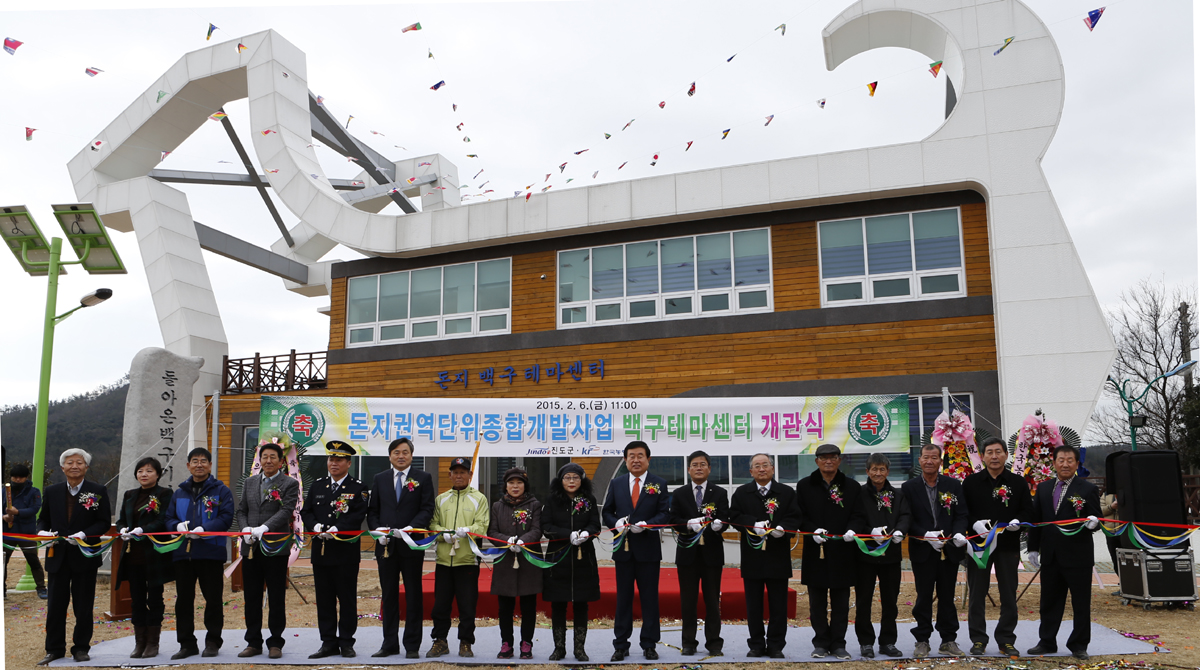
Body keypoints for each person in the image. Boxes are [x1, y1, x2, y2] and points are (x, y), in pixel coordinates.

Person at [36, 449, 111, 666]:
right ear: (62, 467)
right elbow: (43, 519)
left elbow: (104, 521)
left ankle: (81, 648)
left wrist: (84, 534)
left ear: (86, 467)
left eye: (79, 462)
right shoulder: (52, 491)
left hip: (85, 556)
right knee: (56, 606)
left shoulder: (97, 490)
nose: (74, 466)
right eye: (70, 462)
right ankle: (54, 649)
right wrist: (42, 531)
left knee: (83, 606)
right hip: (57, 556)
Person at [1027, 444, 1101, 661]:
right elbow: (1037, 521)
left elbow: (1096, 519)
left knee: (1080, 603)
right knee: (1049, 602)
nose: (1065, 464)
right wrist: (1033, 548)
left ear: (1077, 464)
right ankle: (1047, 641)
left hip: (1078, 556)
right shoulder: (1043, 488)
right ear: (1055, 462)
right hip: (1050, 555)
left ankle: (1079, 645)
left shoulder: (1088, 489)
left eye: (1070, 460)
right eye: (1061, 460)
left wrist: (1093, 523)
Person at [601, 440, 672, 661]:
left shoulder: (658, 483)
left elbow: (664, 514)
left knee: (650, 598)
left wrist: (648, 525)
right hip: (623, 549)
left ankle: (649, 644)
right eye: (631, 456)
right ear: (625, 460)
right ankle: (621, 644)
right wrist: (617, 523)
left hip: (648, 550)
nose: (636, 460)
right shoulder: (617, 483)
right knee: (623, 599)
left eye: (640, 455)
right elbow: (607, 512)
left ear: (648, 459)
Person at [962, 436, 1031, 656]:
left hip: (1008, 546)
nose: (994, 456)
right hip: (979, 547)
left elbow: (1027, 511)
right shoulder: (971, 482)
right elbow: (963, 512)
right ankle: (978, 639)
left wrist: (1018, 523)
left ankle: (1006, 639)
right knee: (977, 593)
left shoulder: (1018, 482)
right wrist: (973, 523)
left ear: (1006, 455)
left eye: (998, 451)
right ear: (982, 456)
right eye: (989, 452)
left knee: (1008, 594)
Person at [367, 438, 435, 659]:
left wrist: (411, 528)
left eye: (405, 452)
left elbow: (427, 508)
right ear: (390, 456)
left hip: (410, 544)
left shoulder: (423, 478)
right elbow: (373, 510)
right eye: (396, 452)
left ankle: (412, 644)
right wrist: (378, 532)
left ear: (412, 456)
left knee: (414, 594)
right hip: (386, 546)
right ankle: (389, 644)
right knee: (388, 595)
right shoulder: (380, 478)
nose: (401, 456)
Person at [797, 444, 867, 660]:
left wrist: (852, 530)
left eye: (833, 457)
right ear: (816, 460)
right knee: (817, 602)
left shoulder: (852, 486)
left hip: (843, 552)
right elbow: (798, 515)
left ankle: (838, 643)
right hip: (815, 551)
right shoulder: (804, 485)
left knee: (841, 602)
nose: (828, 461)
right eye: (823, 457)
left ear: (839, 460)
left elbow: (859, 515)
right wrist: (811, 530)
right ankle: (820, 642)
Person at [300, 441, 369, 659]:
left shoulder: (359, 487)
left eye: (339, 459)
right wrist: (316, 526)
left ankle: (347, 642)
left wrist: (338, 528)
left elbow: (358, 514)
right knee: (324, 599)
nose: (334, 463)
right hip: (321, 552)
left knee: (347, 599)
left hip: (346, 552)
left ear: (349, 463)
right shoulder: (318, 485)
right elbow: (306, 511)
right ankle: (328, 642)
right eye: (331, 459)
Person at [729, 453, 802, 658]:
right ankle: (756, 644)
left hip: (777, 556)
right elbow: (734, 517)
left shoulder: (786, 492)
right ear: (750, 471)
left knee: (778, 604)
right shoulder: (742, 493)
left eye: (765, 465)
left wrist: (784, 528)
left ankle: (776, 645)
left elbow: (795, 516)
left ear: (772, 468)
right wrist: (752, 523)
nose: (761, 469)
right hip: (752, 556)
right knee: (753, 604)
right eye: (757, 466)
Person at [165, 447, 235, 659]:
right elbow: (168, 518)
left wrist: (205, 529)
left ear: (210, 465)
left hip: (210, 552)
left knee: (213, 600)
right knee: (183, 601)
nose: (199, 464)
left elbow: (226, 518)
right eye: (194, 461)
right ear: (188, 466)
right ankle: (187, 644)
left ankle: (213, 641)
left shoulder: (221, 491)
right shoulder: (179, 492)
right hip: (183, 554)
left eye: (204, 461)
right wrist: (177, 526)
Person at [900, 444, 969, 658]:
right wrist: (925, 535)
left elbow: (961, 514)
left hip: (949, 550)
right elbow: (906, 518)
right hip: (923, 549)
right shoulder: (908, 487)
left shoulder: (953, 485)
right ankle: (922, 640)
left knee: (948, 596)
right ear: (919, 460)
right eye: (925, 457)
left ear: (941, 460)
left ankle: (948, 640)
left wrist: (958, 533)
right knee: (924, 596)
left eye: (934, 457)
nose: (929, 461)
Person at [235, 442, 299, 659]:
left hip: (275, 547)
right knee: (251, 596)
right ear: (259, 460)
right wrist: (245, 528)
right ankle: (253, 642)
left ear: (281, 461)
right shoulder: (249, 482)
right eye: (265, 457)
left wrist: (264, 528)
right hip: (251, 548)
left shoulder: (289, 483)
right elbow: (241, 509)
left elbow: (286, 510)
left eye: (273, 457)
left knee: (276, 596)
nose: (268, 461)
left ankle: (275, 643)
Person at [427, 457, 489, 658]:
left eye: (463, 472)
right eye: (455, 472)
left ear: (470, 475)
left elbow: (482, 525)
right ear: (449, 475)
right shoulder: (441, 499)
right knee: (441, 604)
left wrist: (467, 530)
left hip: (467, 561)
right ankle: (440, 641)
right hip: (444, 560)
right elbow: (432, 524)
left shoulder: (479, 498)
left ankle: (465, 642)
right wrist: (441, 532)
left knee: (467, 604)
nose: (459, 475)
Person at [669, 450, 729, 657]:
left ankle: (714, 643)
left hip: (712, 554)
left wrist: (719, 525)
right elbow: (673, 520)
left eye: (703, 464)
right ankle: (688, 642)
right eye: (694, 464)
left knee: (712, 600)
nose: (699, 468)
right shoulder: (679, 493)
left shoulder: (719, 493)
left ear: (709, 468)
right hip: (687, 554)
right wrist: (687, 525)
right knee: (688, 600)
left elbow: (725, 519)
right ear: (688, 469)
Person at [115, 457, 176, 659]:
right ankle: (139, 642)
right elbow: (122, 518)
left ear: (158, 474)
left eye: (149, 471)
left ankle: (152, 643)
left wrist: (143, 530)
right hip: (133, 556)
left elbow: (163, 520)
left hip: (154, 555)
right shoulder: (130, 494)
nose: (144, 474)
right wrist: (123, 528)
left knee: (155, 599)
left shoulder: (164, 494)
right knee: (137, 600)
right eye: (140, 471)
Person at [541, 463, 601, 662]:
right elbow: (546, 526)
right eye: (568, 478)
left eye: (576, 477)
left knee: (581, 604)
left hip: (584, 559)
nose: (572, 481)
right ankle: (559, 648)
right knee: (558, 604)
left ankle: (579, 649)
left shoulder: (589, 500)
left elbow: (595, 524)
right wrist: (568, 535)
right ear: (561, 481)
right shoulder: (551, 500)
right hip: (558, 557)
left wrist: (586, 533)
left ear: (582, 480)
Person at [855, 453, 911, 659]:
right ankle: (865, 642)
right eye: (874, 469)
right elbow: (855, 518)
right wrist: (870, 531)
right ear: (867, 471)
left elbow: (905, 515)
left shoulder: (898, 494)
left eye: (882, 469)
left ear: (888, 471)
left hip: (891, 556)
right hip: (865, 556)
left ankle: (887, 641)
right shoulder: (858, 494)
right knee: (864, 601)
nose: (878, 473)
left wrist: (900, 531)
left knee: (890, 601)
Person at [487, 467, 543, 659]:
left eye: (519, 483)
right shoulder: (497, 506)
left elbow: (537, 529)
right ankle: (506, 643)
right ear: (506, 486)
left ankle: (526, 643)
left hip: (528, 561)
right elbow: (492, 532)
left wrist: (523, 541)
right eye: (511, 483)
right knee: (505, 607)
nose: (515, 486)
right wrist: (507, 541)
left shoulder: (534, 505)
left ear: (525, 485)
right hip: (505, 562)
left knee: (528, 606)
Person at [3, 463, 47, 599]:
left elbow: (35, 509)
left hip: (26, 532)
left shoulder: (33, 491)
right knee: (3, 561)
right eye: (14, 477)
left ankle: (41, 588)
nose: (17, 480)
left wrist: (18, 512)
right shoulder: (3, 490)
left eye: (20, 477)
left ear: (26, 478)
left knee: (33, 559)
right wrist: (4, 517)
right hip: (7, 532)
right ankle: (2, 589)